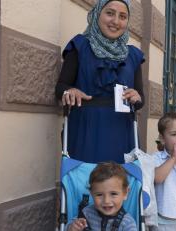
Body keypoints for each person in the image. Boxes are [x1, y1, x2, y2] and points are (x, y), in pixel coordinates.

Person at [55, 0, 145, 163]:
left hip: (122, 133)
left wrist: (136, 96)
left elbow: (140, 100)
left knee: (120, 184)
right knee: (85, 181)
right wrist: (70, 91)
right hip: (86, 131)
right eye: (110, 13)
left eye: (123, 16)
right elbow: (60, 88)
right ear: (97, 14)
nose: (116, 21)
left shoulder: (133, 55)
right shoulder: (80, 47)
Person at [66, 162, 137, 231]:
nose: (106, 201)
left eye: (113, 194)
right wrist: (72, 227)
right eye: (99, 194)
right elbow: (68, 226)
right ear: (92, 194)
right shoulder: (86, 214)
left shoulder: (127, 223)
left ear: (125, 193)